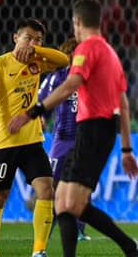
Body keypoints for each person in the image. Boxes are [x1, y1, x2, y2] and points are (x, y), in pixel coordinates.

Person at [9, 0, 138, 257]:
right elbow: (124, 106)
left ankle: (131, 247)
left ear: (77, 23)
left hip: (92, 131)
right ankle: (132, 247)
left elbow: (71, 83)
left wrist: (35, 111)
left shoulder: (86, 48)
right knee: (63, 202)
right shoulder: (111, 54)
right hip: (99, 132)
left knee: (69, 203)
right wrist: (126, 149)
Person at [0, 18, 69, 257]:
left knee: (46, 190)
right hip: (5, 143)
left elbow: (64, 60)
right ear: (16, 38)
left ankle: (39, 250)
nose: (32, 43)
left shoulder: (38, 61)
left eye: (38, 40)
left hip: (33, 142)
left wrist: (36, 49)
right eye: (28, 38)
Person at [38, 37, 91, 242]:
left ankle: (78, 229)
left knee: (82, 186)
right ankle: (46, 229)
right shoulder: (57, 77)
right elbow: (42, 100)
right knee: (51, 185)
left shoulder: (89, 76)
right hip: (62, 139)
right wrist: (42, 117)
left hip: (84, 140)